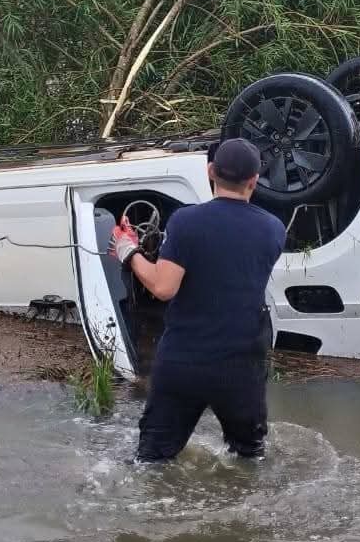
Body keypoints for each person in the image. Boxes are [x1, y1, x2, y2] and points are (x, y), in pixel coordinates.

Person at [109, 138, 287, 462]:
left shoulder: (185, 221)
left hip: (185, 360)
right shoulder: (274, 229)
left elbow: (163, 288)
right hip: (242, 363)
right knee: (249, 456)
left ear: (210, 172)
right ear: (254, 180)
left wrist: (128, 251)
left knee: (152, 459)